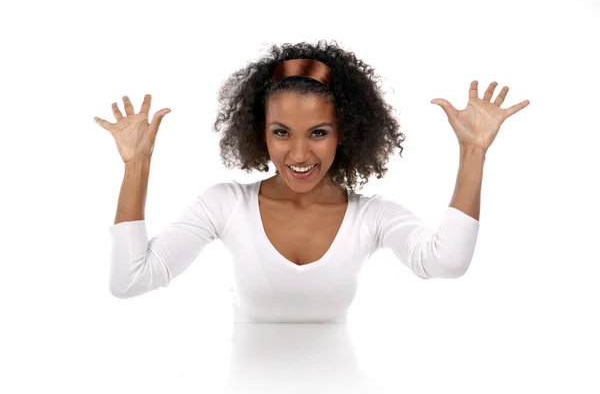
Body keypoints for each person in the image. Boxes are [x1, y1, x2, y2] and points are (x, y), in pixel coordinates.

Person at [94, 40, 529, 323]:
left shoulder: (370, 216)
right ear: (259, 133)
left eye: (318, 133)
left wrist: (474, 152)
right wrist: (137, 164)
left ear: (346, 134)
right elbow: (129, 281)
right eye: (282, 132)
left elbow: (446, 262)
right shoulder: (224, 206)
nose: (299, 155)